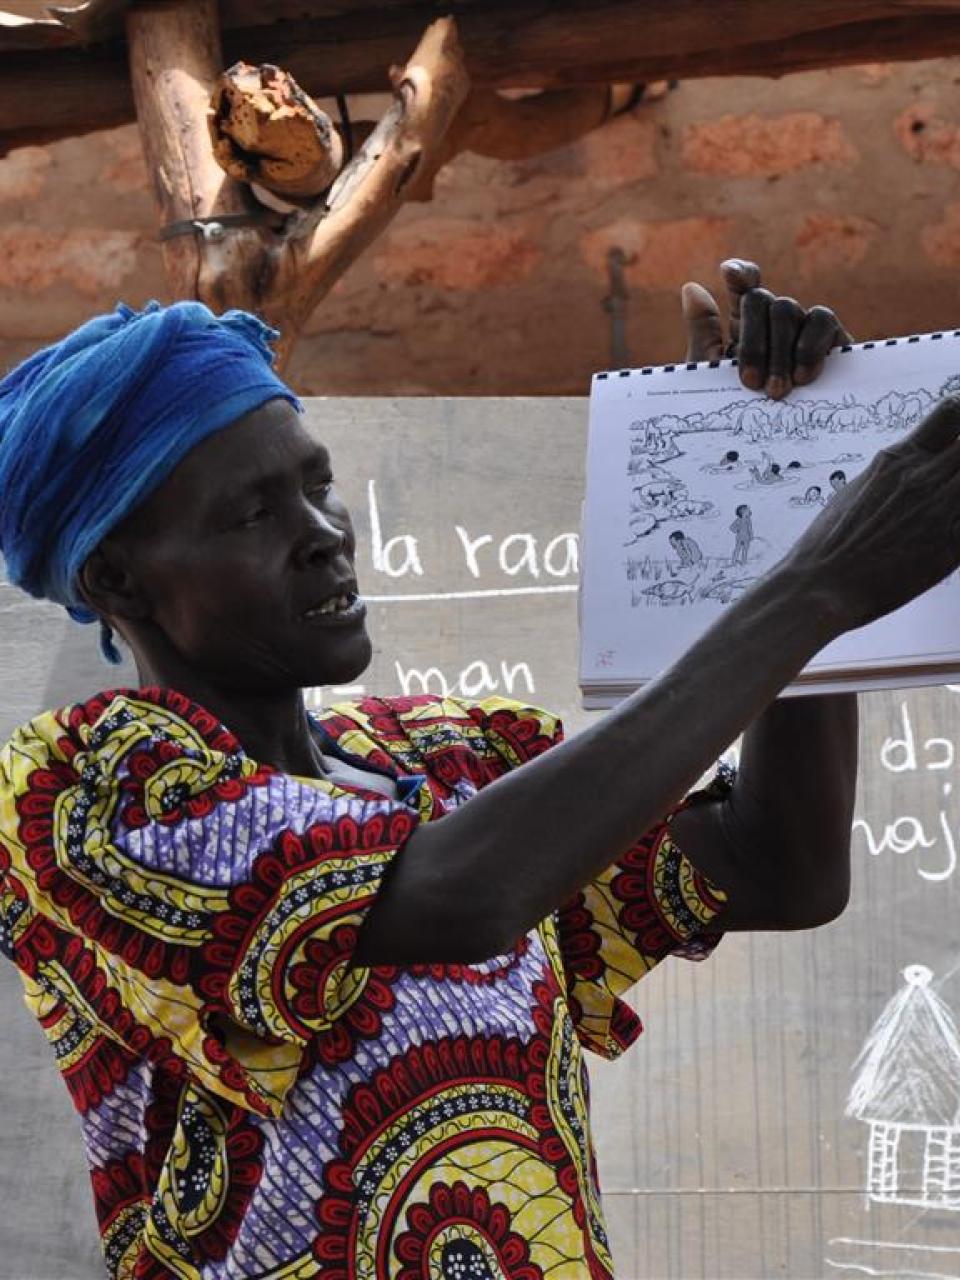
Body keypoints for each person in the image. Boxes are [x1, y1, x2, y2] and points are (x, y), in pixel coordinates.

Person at [3, 260, 960, 1280]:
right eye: (252, 514)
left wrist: (767, 489)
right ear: (116, 577)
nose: (325, 535)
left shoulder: (448, 764)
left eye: (318, 485)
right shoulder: (81, 797)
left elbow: (780, 864)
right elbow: (462, 895)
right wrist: (816, 584)